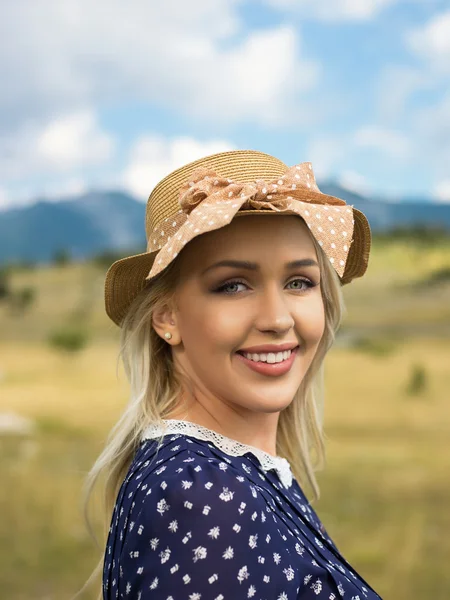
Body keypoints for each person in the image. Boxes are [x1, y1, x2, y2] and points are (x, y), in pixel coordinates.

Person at [84, 150, 381, 598]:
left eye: (299, 282)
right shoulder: (201, 496)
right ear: (167, 318)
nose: (278, 319)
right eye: (233, 285)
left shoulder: (233, 472)